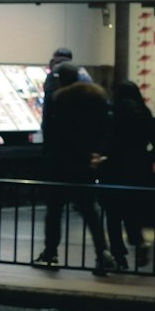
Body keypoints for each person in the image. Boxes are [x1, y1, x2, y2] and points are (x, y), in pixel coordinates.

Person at [34, 62, 115, 274]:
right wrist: (95, 154)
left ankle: (50, 253)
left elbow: (57, 134)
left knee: (54, 212)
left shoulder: (59, 101)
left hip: (61, 164)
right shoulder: (97, 98)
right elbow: (106, 129)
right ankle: (102, 252)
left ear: (60, 79)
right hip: (85, 166)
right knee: (90, 212)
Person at [99, 80, 155, 271]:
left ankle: (119, 256)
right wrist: (148, 158)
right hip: (138, 170)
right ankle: (138, 241)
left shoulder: (113, 113)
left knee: (113, 215)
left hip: (114, 168)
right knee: (132, 211)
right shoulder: (144, 113)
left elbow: (107, 141)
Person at [40, 47, 92, 141]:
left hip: (59, 125)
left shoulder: (54, 73)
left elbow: (49, 101)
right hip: (83, 125)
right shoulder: (83, 73)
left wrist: (45, 127)